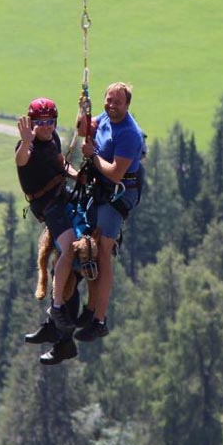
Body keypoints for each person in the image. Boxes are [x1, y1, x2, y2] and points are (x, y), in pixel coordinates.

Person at [69, 81, 145, 342]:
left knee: (102, 253)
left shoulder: (128, 134)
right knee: (89, 248)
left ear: (127, 105)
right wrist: (83, 111)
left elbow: (115, 173)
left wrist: (92, 155)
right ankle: (90, 310)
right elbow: (82, 130)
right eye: (108, 100)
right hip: (101, 188)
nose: (111, 106)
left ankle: (99, 319)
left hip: (118, 193)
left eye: (117, 102)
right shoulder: (104, 118)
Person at [15, 97, 79, 365]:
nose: (46, 127)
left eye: (50, 121)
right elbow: (21, 160)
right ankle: (57, 311)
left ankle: (58, 327)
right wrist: (27, 139)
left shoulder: (53, 141)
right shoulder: (26, 145)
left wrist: (78, 176)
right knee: (70, 252)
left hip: (61, 197)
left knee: (71, 265)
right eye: (40, 122)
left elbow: (62, 164)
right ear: (32, 123)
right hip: (49, 207)